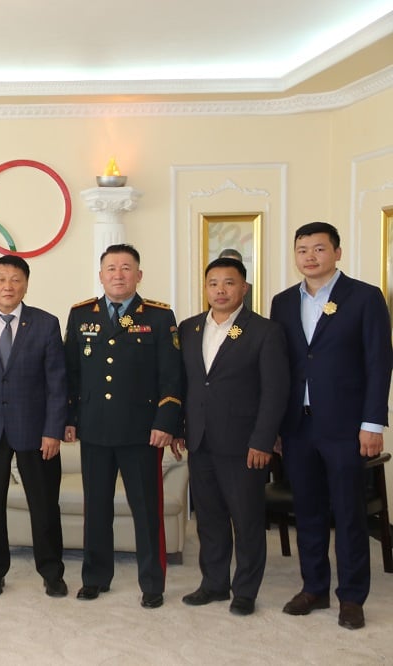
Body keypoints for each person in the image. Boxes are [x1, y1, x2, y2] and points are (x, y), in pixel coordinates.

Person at [269, 221, 392, 630]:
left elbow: (379, 362)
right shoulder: (283, 302)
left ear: (337, 253)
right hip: (297, 427)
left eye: (319, 249)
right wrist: (277, 427)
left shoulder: (364, 297)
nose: (310, 256)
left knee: (349, 512)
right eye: (302, 249)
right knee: (307, 511)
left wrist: (372, 423)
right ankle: (314, 588)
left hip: (346, 426)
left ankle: (352, 597)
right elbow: (280, 368)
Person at [63, 243, 182, 609]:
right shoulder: (81, 315)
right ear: (101, 276)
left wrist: (166, 422)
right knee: (96, 509)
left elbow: (172, 376)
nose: (118, 274)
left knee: (146, 511)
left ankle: (152, 583)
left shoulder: (159, 317)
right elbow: (71, 374)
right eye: (111, 268)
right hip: (94, 429)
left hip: (142, 432)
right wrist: (69, 419)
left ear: (139, 275)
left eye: (126, 268)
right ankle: (95, 577)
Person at [174, 257, 288, 616]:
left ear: (244, 288)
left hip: (244, 444)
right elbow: (184, 384)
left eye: (229, 283)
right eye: (213, 283)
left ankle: (245, 591)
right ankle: (214, 584)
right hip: (200, 440)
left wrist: (263, 439)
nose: (220, 290)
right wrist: (179, 429)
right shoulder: (190, 328)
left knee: (247, 520)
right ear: (205, 288)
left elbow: (275, 391)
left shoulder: (264, 331)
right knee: (209, 519)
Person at [0, 255, 67, 598]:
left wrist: (53, 430)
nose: (8, 286)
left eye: (16, 279)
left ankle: (52, 571)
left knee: (44, 504)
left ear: (26, 284)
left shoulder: (46, 324)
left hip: (36, 431)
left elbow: (57, 383)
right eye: (2, 279)